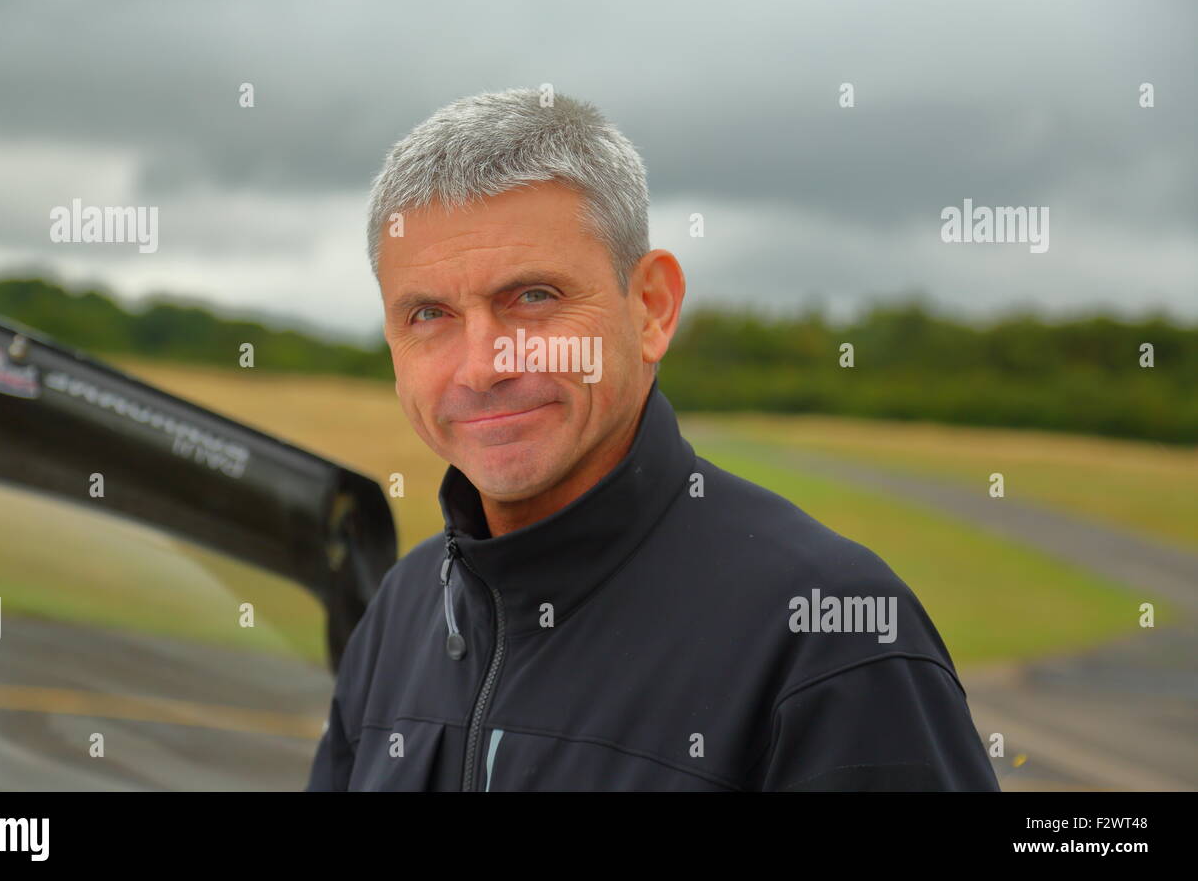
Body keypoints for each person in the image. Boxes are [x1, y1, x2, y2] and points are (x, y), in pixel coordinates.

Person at [307, 87, 1000, 791]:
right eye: (429, 313)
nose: (483, 367)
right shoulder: (403, 609)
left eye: (534, 297)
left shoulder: (834, 638)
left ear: (652, 309)